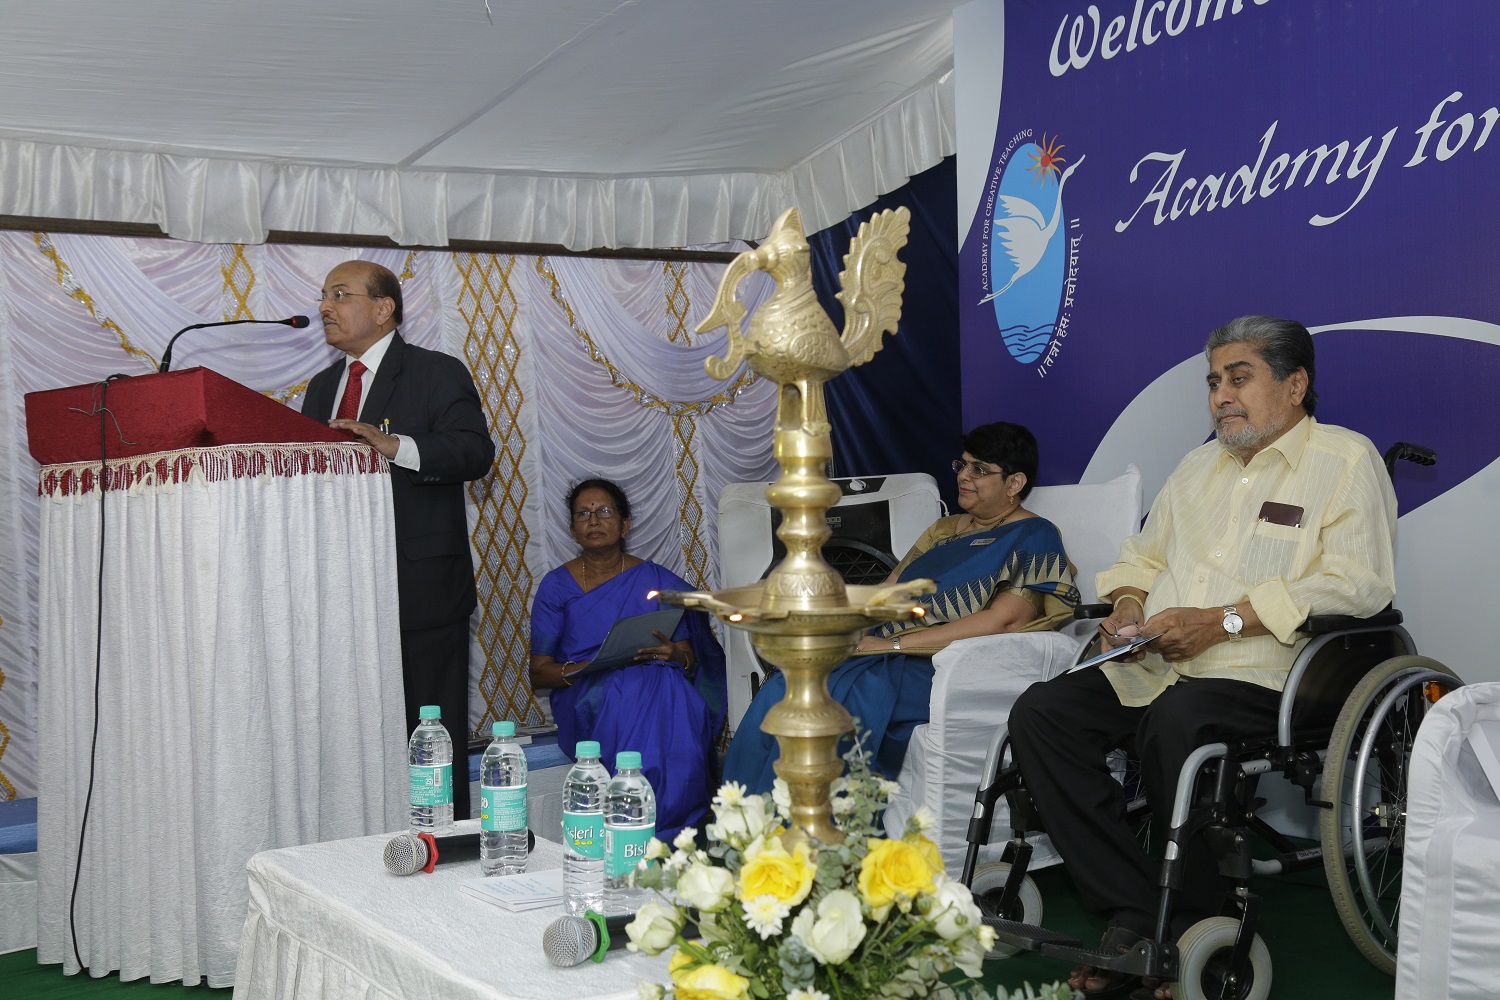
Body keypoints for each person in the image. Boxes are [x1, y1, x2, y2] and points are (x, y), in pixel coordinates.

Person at [1007, 315, 1397, 999]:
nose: (1221, 395)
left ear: (1295, 384)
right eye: (1214, 382)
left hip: (1274, 673)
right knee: (1042, 714)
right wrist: (1128, 606)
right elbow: (1141, 557)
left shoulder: (1344, 460)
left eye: (1239, 378)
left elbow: (1357, 584)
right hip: (1160, 662)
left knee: (1178, 722)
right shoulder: (1196, 467)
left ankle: (1186, 921)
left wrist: (1222, 622)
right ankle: (1135, 908)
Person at [722, 421, 1079, 793]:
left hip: (946, 664)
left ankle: (812, 819)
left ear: (1014, 483)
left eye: (979, 469)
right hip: (886, 652)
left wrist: (892, 645)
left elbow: (1005, 621)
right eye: (962, 465)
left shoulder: (1035, 535)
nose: (963, 476)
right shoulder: (944, 530)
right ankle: (748, 817)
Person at [303, 260, 496, 821]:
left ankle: (440, 841)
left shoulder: (435, 372)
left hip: (421, 592)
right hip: (341, 592)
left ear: (384, 308)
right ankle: (366, 835)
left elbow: (475, 452)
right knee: (357, 734)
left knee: (428, 735)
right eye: (324, 296)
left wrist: (396, 447)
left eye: (340, 294)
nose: (325, 307)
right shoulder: (322, 388)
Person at [529, 479, 727, 839]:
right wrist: (589, 666)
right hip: (585, 691)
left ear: (624, 525)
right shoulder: (556, 586)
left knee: (664, 683)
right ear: (572, 529)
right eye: (583, 514)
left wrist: (675, 655)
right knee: (635, 686)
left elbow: (689, 657)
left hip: (654, 683)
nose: (593, 520)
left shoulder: (655, 579)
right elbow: (540, 673)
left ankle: (669, 830)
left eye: (604, 511)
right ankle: (655, 831)